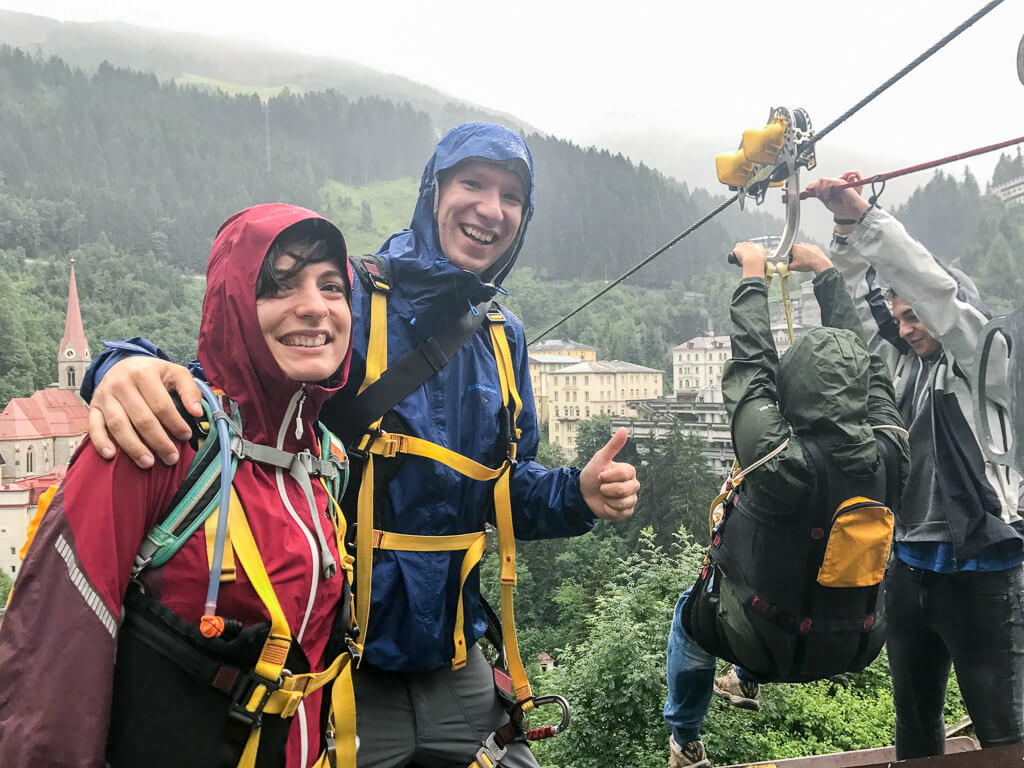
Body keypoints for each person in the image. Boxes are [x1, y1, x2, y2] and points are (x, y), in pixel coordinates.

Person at [80, 122, 639, 767]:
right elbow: (236, 383)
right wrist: (120, 367)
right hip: (341, 671)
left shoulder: (499, 335)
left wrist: (578, 494)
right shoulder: (352, 298)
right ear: (434, 192)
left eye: (511, 196)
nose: (491, 208)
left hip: (454, 664)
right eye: (473, 183)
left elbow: (499, 489)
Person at [0, 204, 357, 767]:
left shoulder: (322, 463)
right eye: (278, 285)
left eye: (332, 287)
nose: (315, 308)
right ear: (232, 303)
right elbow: (47, 687)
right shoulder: (154, 440)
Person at [801, 173, 1024, 759]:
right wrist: (846, 237)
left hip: (982, 577)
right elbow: (872, 310)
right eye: (899, 319)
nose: (904, 328)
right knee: (914, 735)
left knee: (1005, 737)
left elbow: (936, 297)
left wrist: (868, 219)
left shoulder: (987, 364)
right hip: (908, 573)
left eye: (912, 317)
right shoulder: (906, 369)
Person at [664, 240, 909, 768]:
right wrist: (825, 273)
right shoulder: (892, 447)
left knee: (692, 616)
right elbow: (868, 364)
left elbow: (752, 369)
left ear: (792, 389)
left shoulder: (779, 457)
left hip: (764, 640)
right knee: (784, 565)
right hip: (857, 642)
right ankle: (744, 685)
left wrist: (753, 279)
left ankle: (685, 739)